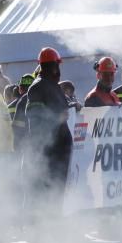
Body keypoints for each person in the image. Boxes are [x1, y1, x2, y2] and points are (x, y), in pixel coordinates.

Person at [24, 47, 74, 217]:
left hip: (59, 149)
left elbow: (63, 109)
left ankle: (53, 223)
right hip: (48, 151)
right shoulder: (37, 87)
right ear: (54, 66)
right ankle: (41, 227)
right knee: (45, 190)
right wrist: (56, 119)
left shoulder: (54, 86)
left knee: (57, 190)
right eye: (56, 66)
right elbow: (34, 117)